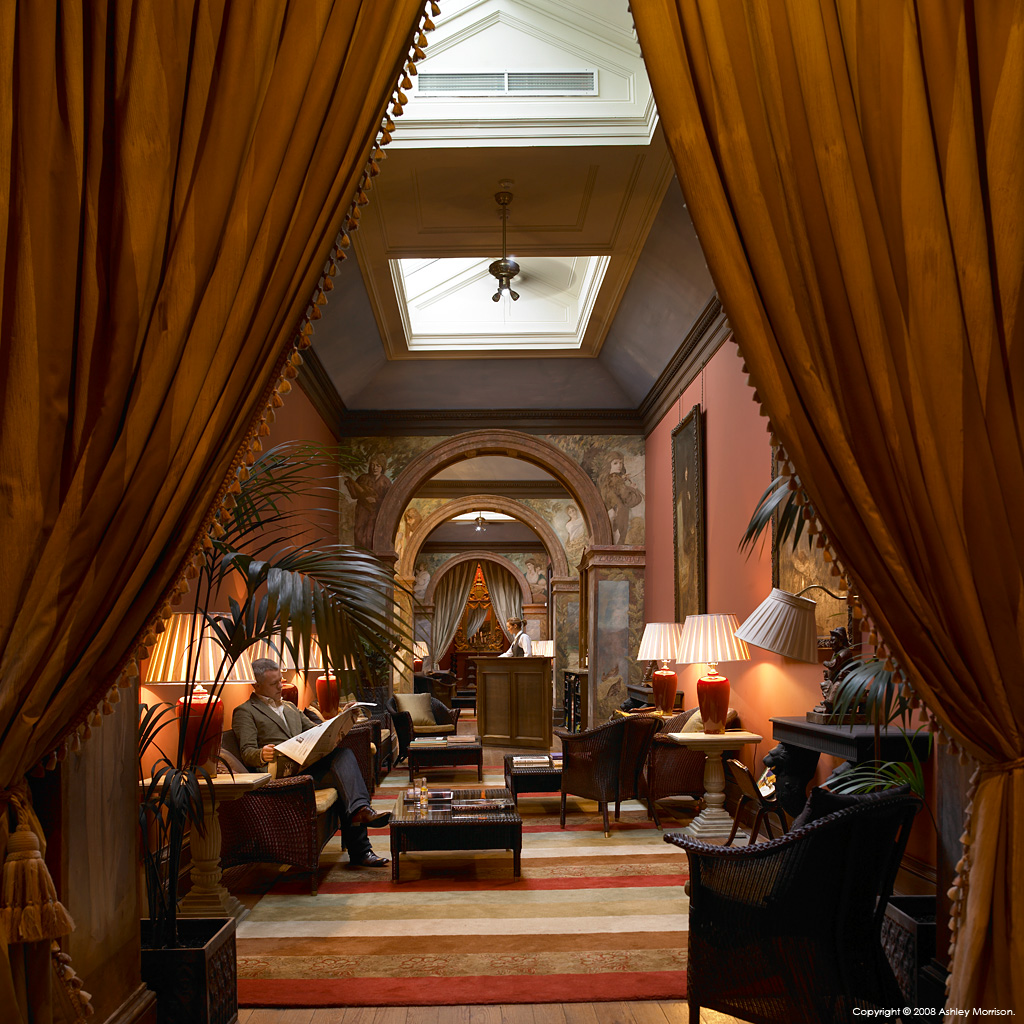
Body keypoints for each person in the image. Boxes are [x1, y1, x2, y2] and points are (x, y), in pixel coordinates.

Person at [232, 658, 391, 867]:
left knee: (343, 755)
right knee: (344, 775)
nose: (281, 686)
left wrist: (343, 718)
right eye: (274, 684)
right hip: (281, 777)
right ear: (257, 685)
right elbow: (247, 752)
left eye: (280, 680)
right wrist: (262, 753)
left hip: (306, 768)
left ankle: (360, 815)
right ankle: (361, 843)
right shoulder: (245, 711)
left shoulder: (289, 707)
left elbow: (319, 730)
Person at [344, 455, 391, 549]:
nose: (375, 468)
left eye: (378, 465)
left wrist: (376, 500)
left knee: (371, 534)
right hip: (362, 511)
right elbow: (354, 495)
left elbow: (389, 501)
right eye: (372, 465)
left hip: (376, 512)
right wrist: (349, 485)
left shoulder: (386, 482)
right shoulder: (363, 478)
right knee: (359, 532)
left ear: (382, 467)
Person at [598, 451, 643, 545]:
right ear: (609, 464)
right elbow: (629, 500)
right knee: (618, 543)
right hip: (619, 515)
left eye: (621, 463)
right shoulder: (615, 479)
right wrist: (634, 490)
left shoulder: (605, 480)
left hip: (611, 514)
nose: (619, 465)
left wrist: (622, 480)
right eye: (615, 463)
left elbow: (613, 491)